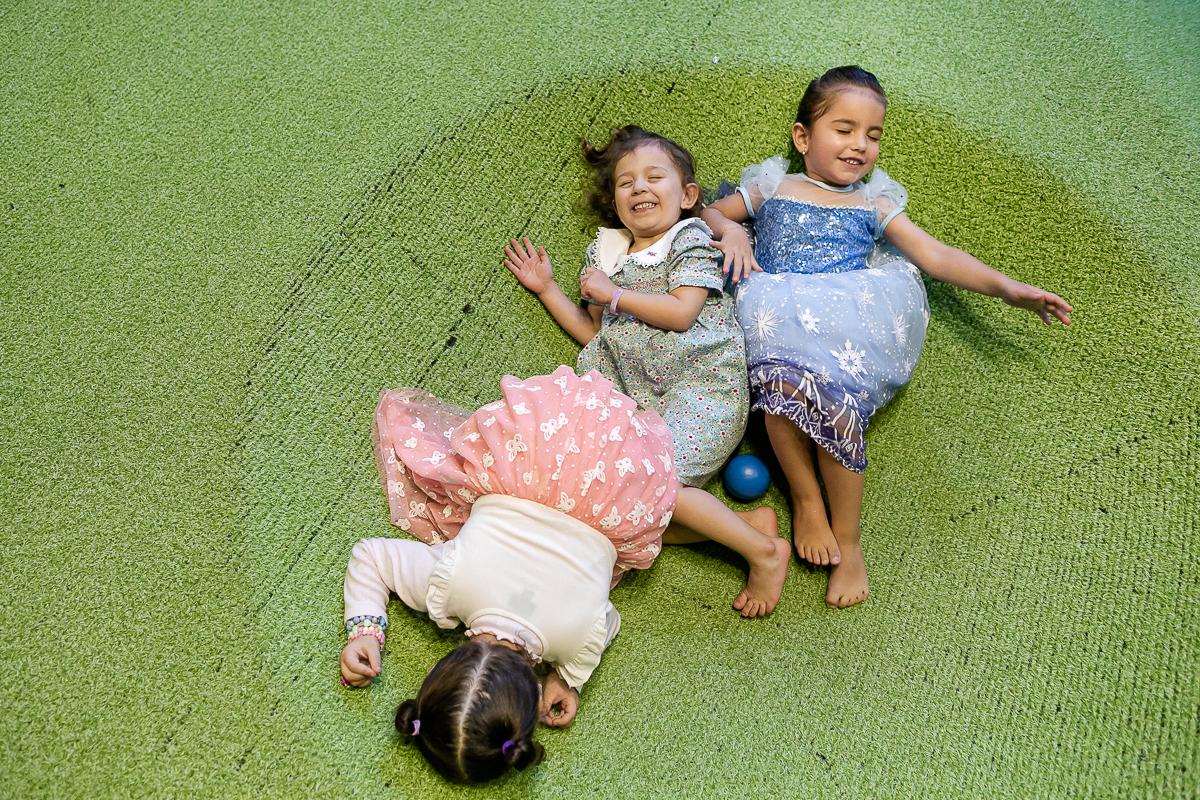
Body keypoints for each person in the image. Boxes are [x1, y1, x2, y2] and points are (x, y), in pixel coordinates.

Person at [701, 66, 1072, 610]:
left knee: (835, 408)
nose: (860, 145)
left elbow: (936, 255)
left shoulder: (872, 202)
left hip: (848, 317)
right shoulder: (774, 186)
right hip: (778, 309)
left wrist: (1009, 289)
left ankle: (848, 542)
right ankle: (806, 499)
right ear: (803, 138)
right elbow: (707, 211)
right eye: (845, 130)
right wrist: (733, 228)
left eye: (873, 136)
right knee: (779, 394)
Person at [340, 367, 788, 782]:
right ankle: (747, 533)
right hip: (540, 453)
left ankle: (757, 544)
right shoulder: (446, 582)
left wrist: (569, 677)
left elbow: (606, 622)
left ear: (535, 703)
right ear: (440, 668)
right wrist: (364, 631)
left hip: (599, 497)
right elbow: (370, 557)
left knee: (642, 527)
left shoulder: (575, 641)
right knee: (634, 530)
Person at [504, 126, 787, 612]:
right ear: (615, 203)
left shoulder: (690, 237)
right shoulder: (606, 254)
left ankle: (762, 552)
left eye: (655, 177)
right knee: (605, 504)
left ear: (687, 196)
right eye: (626, 182)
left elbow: (682, 312)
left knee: (660, 484)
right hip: (640, 402)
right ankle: (747, 527)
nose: (640, 188)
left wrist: (612, 294)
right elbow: (599, 335)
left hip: (703, 388)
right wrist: (548, 288)